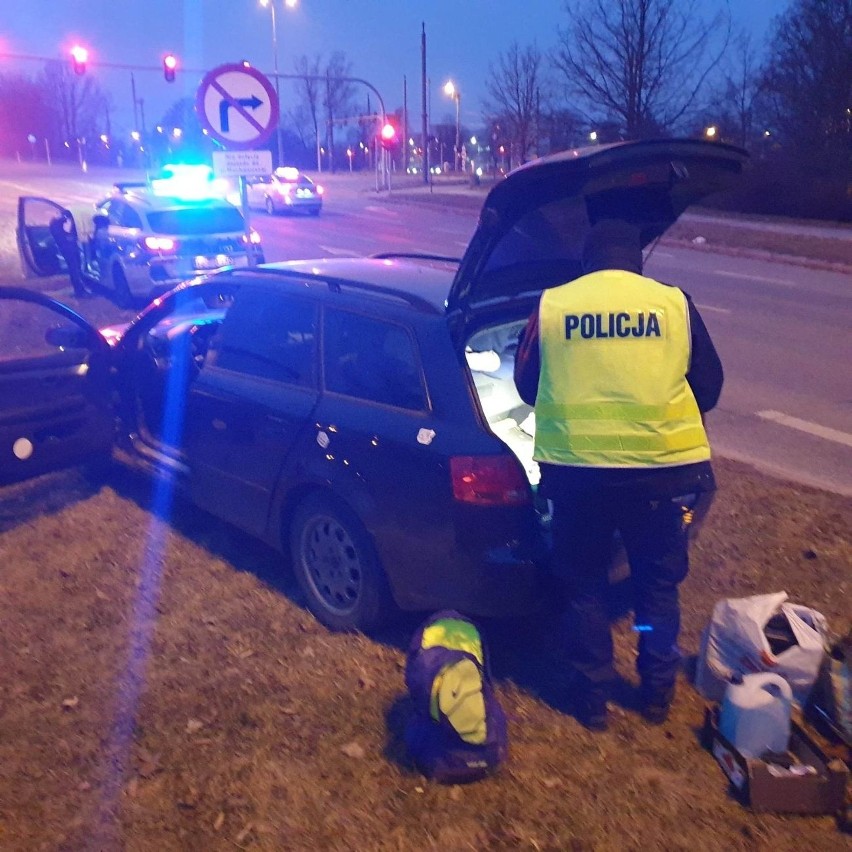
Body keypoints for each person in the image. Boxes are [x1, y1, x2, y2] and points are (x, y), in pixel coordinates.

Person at [514, 219, 723, 731]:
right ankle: (655, 692)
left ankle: (590, 697)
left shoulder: (553, 305)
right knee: (655, 585)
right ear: (637, 263)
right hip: (657, 477)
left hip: (578, 477)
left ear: (587, 262)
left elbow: (524, 384)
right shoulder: (673, 304)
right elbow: (710, 386)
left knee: (584, 586)